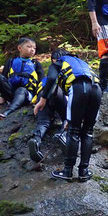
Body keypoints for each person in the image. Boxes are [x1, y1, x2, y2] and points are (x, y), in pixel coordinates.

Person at [34, 49, 102, 181]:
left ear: (54, 59)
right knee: (88, 131)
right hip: (97, 90)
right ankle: (84, 171)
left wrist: (43, 99)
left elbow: (52, 78)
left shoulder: (58, 63)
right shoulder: (81, 62)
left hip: (79, 88)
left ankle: (67, 172)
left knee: (73, 130)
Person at [0, 37, 44, 118]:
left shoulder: (36, 64)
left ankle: (9, 111)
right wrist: (2, 96)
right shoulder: (11, 61)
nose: (32, 50)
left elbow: (42, 82)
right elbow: (4, 77)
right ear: (19, 48)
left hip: (27, 94)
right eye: (29, 47)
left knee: (21, 90)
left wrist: (38, 98)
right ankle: (5, 99)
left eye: (34, 48)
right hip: (11, 92)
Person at [27, 77, 67, 163]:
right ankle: (62, 135)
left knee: (43, 122)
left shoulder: (43, 81)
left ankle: (36, 140)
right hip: (57, 90)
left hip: (41, 94)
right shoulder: (62, 75)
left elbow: (33, 101)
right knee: (67, 117)